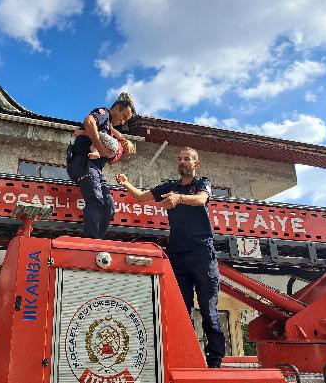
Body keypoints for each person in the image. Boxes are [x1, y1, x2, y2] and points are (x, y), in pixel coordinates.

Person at [115, 147, 225, 368]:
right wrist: (125, 183)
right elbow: (141, 197)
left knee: (209, 310)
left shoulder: (202, 183)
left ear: (196, 164)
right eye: (180, 159)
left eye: (187, 159)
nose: (182, 162)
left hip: (202, 253)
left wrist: (179, 198)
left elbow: (201, 199)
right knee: (182, 311)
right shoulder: (169, 187)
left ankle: (214, 362)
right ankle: (188, 358)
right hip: (178, 255)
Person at [67, 92, 135, 238]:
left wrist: (124, 140)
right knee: (96, 202)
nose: (123, 122)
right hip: (84, 163)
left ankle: (97, 240)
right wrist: (100, 148)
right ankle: (91, 243)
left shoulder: (109, 125)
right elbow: (89, 122)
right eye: (123, 117)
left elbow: (113, 131)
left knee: (109, 207)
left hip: (96, 168)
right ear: (116, 108)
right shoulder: (103, 113)